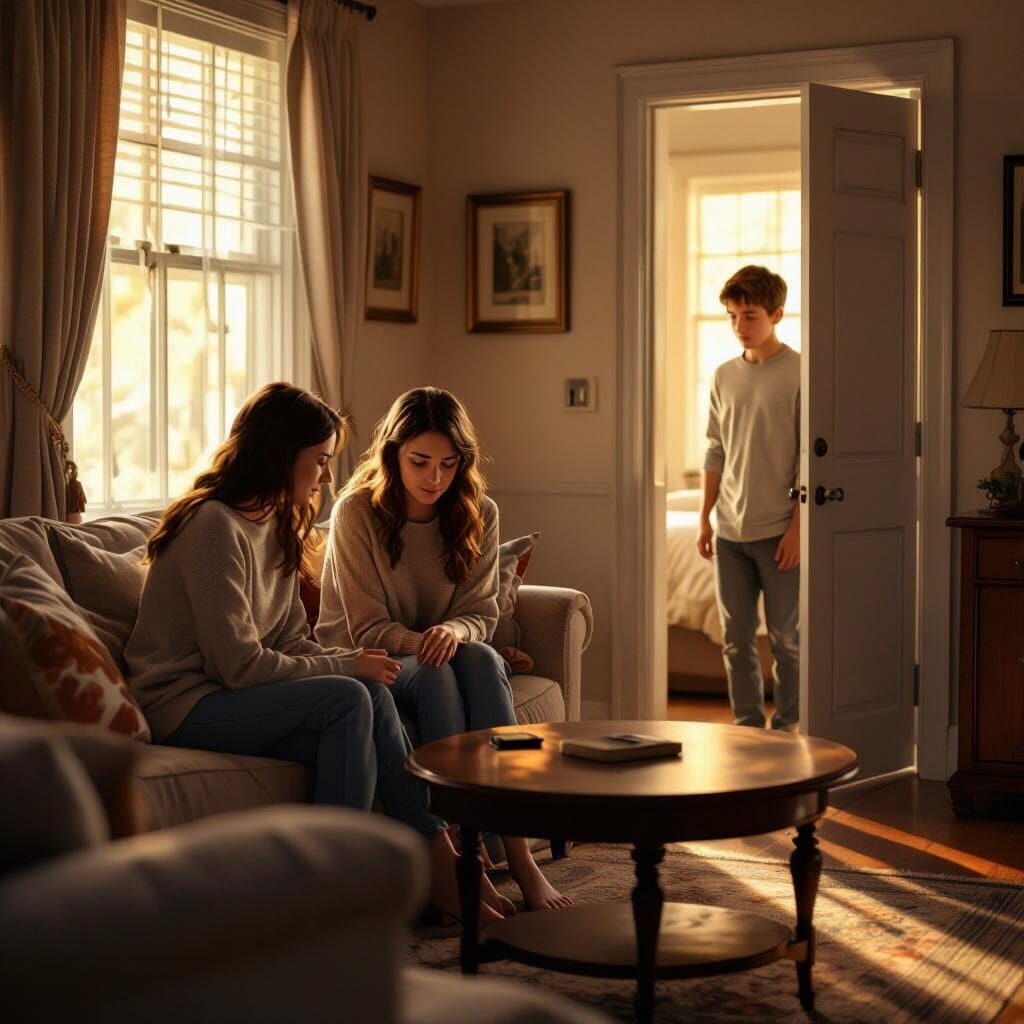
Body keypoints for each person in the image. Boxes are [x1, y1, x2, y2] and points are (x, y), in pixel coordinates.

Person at [125, 381, 508, 926]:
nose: (328, 477)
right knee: (351, 698)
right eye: (321, 461)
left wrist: (355, 670)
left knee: (366, 700)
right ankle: (392, 878)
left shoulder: (278, 522)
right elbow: (240, 667)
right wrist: (349, 663)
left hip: (238, 696)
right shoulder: (213, 526)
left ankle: (405, 867)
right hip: (185, 703)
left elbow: (289, 640)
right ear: (281, 457)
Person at [317, 386, 571, 912]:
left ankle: (520, 856)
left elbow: (482, 613)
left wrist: (453, 634)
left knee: (481, 656)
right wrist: (424, 642)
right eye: (420, 462)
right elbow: (363, 626)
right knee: (436, 672)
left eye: (448, 465)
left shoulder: (479, 511)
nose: (434, 478)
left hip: (446, 652)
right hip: (371, 657)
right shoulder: (355, 513)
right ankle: (462, 860)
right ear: (392, 454)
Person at [697, 265, 801, 731]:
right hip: (730, 533)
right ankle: (747, 729)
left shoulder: (800, 372)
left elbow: (808, 458)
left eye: (750, 315)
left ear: (777, 314)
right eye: (733, 315)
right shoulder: (723, 375)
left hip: (780, 529)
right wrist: (704, 518)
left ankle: (791, 730)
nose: (740, 326)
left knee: (786, 640)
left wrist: (798, 528)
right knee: (736, 641)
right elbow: (715, 448)